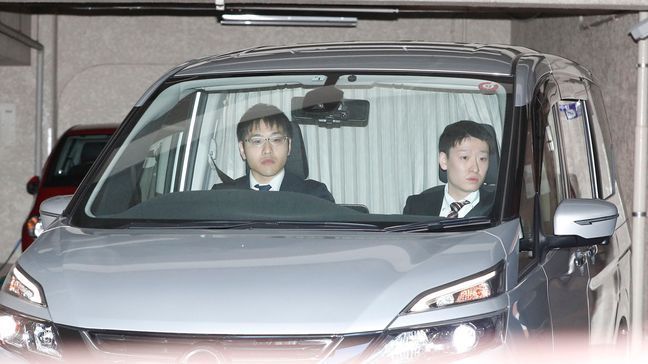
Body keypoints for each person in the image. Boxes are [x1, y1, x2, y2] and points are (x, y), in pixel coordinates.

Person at [212, 103, 335, 202]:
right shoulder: (220, 197)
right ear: (242, 149)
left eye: (276, 140)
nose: (267, 150)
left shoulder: (315, 196)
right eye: (257, 141)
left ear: (289, 146)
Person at [403, 120, 495, 217]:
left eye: (482, 159)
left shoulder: (500, 208)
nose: (475, 168)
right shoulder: (416, 207)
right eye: (465, 157)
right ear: (444, 160)